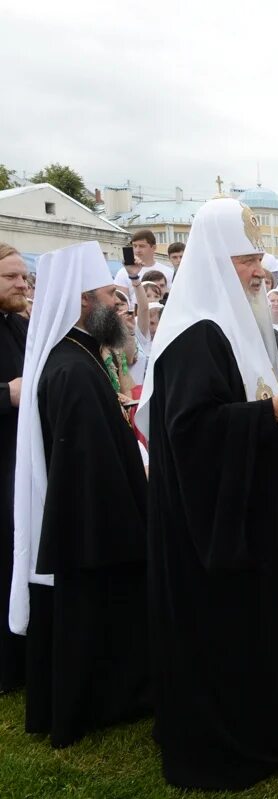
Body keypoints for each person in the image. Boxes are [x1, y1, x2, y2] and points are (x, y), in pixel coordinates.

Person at [137, 198, 278, 789]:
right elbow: (191, 431)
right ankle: (243, 725)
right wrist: (275, 410)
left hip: (250, 505)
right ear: (217, 262)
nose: (259, 270)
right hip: (212, 521)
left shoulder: (236, 319)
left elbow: (241, 394)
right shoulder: (194, 335)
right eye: (245, 260)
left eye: (259, 257)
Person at [9, 240, 150, 747]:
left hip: (93, 518)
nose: (119, 305)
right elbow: (89, 466)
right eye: (110, 296)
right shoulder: (71, 369)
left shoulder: (81, 357)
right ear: (83, 302)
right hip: (94, 525)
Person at [0, 242, 28, 694]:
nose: (23, 284)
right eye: (12, 278)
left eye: (25, 277)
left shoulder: (18, 324)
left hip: (16, 459)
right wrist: (6, 393)